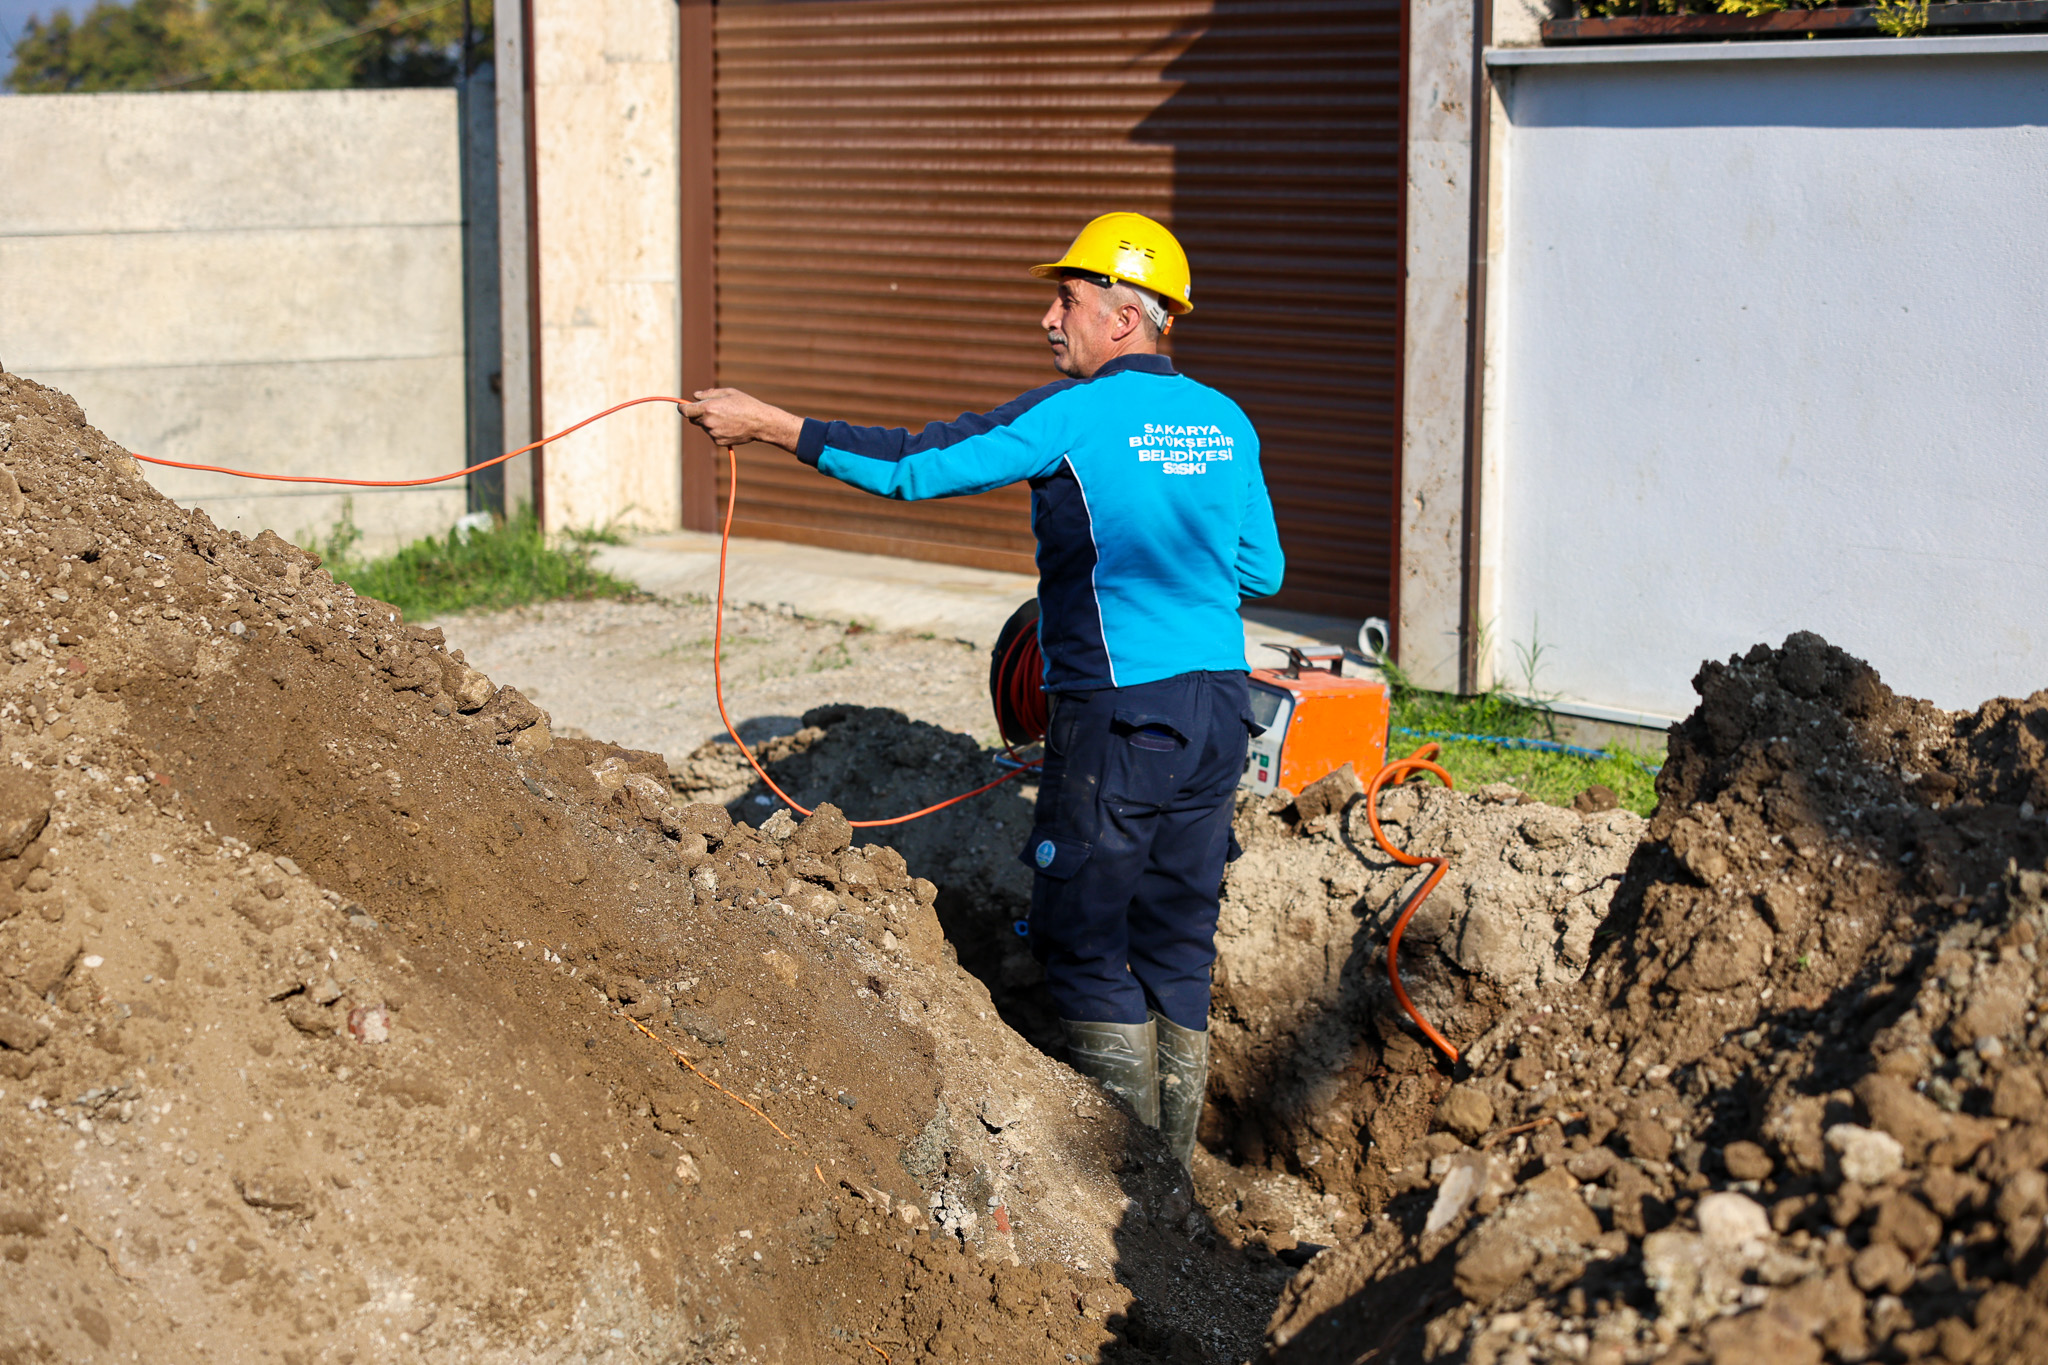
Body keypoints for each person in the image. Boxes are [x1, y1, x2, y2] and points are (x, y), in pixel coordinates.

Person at [682, 212, 1283, 1167]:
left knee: (1085, 942)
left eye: (1068, 301)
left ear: (1126, 315)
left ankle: (1126, 1190)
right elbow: (1261, 569)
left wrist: (770, 424)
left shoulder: (1073, 415)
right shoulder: (1227, 419)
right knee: (1175, 940)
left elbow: (916, 469)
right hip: (1220, 715)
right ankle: (1174, 1192)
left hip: (1123, 718)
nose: (1050, 318)